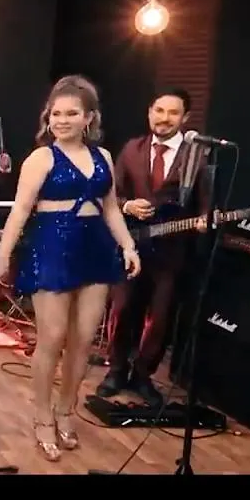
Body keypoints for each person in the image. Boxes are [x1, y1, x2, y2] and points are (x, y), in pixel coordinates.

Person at [0, 75, 141, 461]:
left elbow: (110, 208)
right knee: (52, 337)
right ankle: (42, 416)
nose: (62, 120)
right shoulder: (41, 158)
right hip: (52, 247)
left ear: (89, 117)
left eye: (72, 113)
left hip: (96, 248)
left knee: (84, 340)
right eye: (56, 114)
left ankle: (66, 409)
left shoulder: (103, 157)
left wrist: (128, 245)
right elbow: (20, 210)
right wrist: (2, 255)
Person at [97, 87, 206, 406]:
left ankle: (143, 376)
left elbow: (206, 203)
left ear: (185, 118)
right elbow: (110, 196)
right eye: (159, 110)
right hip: (131, 244)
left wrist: (204, 220)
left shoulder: (197, 156)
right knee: (121, 309)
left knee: (160, 317)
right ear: (149, 113)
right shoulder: (132, 149)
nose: (164, 118)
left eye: (173, 112)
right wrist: (127, 205)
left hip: (172, 251)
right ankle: (116, 370)